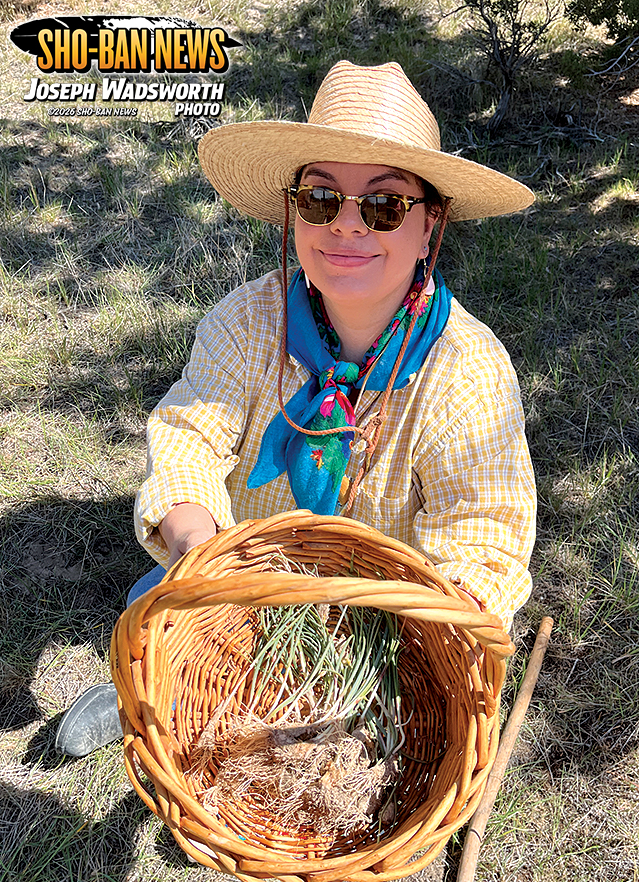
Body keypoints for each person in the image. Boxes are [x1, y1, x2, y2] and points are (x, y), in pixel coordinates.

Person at [55, 60, 537, 757]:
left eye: (384, 205)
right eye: (320, 197)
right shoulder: (248, 321)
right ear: (293, 209)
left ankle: (238, 705)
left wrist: (399, 633)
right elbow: (189, 435)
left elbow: (483, 537)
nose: (347, 226)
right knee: (158, 605)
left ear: (430, 224)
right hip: (244, 589)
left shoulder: (465, 371)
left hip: (385, 627)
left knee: (361, 722)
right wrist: (202, 554)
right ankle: (158, 684)